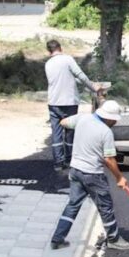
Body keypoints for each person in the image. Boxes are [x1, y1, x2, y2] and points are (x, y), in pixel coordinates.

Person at [50, 100, 129, 250]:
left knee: (73, 205)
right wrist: (119, 178)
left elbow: (63, 122)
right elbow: (109, 159)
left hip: (75, 170)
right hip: (92, 174)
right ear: (108, 118)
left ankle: (57, 238)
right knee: (105, 206)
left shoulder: (83, 118)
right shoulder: (105, 132)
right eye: (114, 120)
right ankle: (114, 239)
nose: (115, 123)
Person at [45, 40, 99, 171]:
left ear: (49, 51)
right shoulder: (67, 59)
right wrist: (93, 87)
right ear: (60, 48)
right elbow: (80, 75)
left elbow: (64, 78)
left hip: (53, 102)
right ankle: (70, 160)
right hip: (69, 102)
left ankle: (58, 163)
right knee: (70, 132)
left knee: (56, 133)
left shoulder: (48, 63)